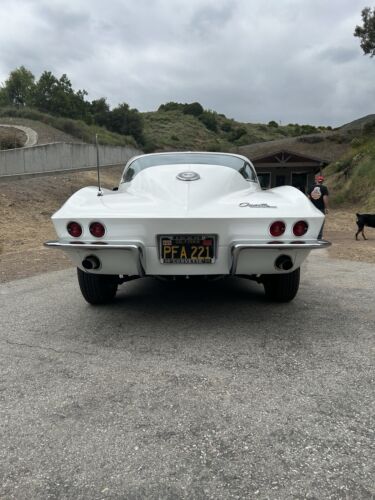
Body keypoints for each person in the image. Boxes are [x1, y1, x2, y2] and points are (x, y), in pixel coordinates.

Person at [307, 174, 329, 239]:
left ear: (316, 180)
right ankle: (319, 236)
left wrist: (309, 207)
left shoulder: (311, 187)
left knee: (312, 221)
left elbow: (308, 198)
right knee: (321, 222)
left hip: (312, 208)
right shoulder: (324, 188)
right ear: (322, 181)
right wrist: (326, 208)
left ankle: (312, 235)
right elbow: (325, 198)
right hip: (321, 208)